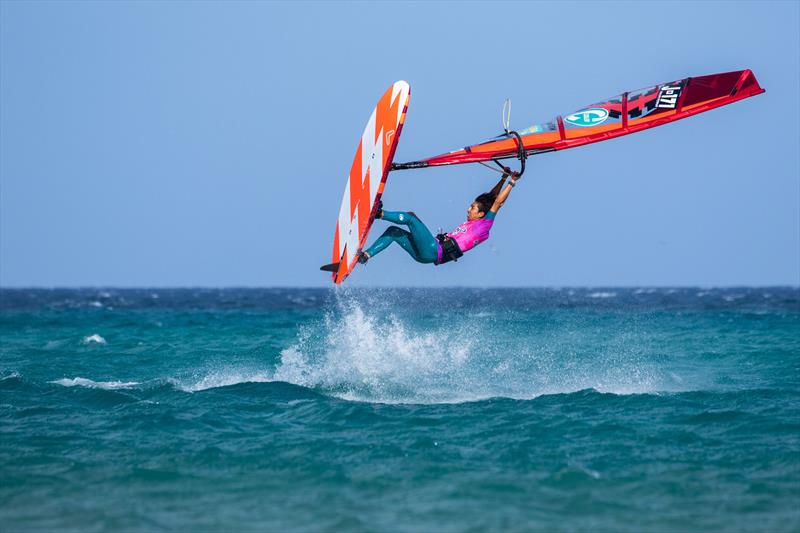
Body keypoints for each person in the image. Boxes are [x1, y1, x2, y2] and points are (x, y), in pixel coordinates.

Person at [358, 168, 521, 266]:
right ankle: (366, 256)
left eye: (472, 208)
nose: (468, 209)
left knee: (411, 218)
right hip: (424, 255)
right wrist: (503, 177)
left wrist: (512, 182)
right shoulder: (476, 220)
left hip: (433, 250)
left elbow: (497, 203)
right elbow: (492, 197)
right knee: (393, 232)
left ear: (481, 214)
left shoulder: (484, 225)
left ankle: (378, 213)